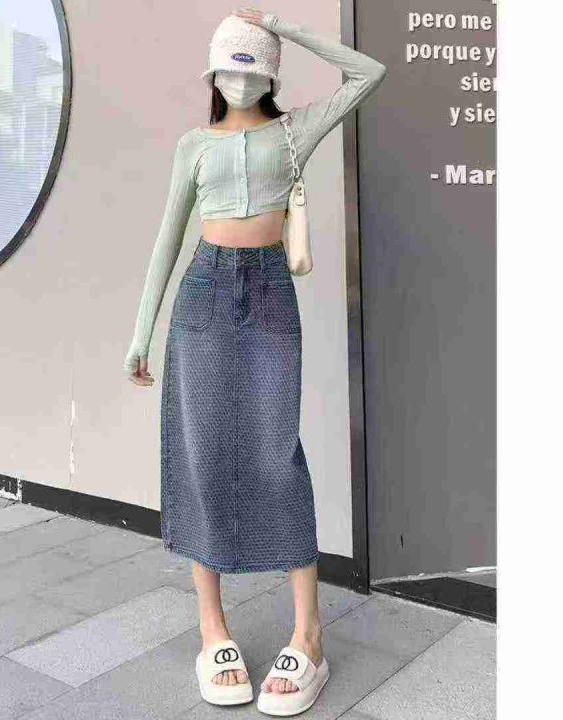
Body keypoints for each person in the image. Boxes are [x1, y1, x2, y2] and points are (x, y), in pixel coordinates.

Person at [124, 7, 386, 716]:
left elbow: (368, 73)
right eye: (228, 68)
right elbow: (167, 239)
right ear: (212, 74)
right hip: (203, 293)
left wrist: (281, 28)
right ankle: (214, 631)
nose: (239, 80)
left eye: (252, 67)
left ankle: (310, 634)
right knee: (202, 451)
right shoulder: (193, 146)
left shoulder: (294, 130)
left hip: (269, 293)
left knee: (276, 453)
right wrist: (142, 332)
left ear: (269, 73)